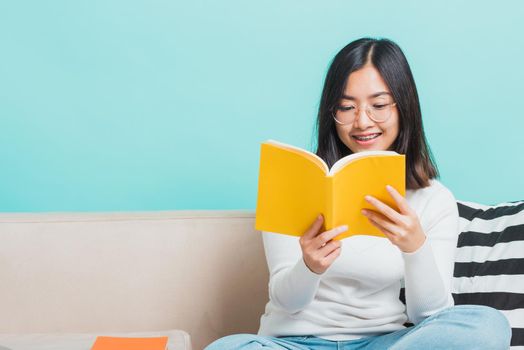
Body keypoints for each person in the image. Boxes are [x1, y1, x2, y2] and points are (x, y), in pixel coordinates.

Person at [206, 38, 511, 349]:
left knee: (487, 325)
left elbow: (428, 316)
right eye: (346, 107)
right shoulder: (293, 182)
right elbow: (286, 301)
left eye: (379, 105)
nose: (362, 121)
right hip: (294, 343)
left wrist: (414, 247)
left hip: (385, 344)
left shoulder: (432, 199)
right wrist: (309, 267)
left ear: (404, 107)